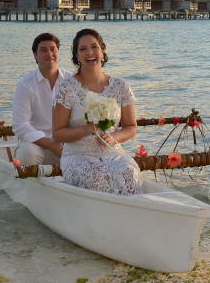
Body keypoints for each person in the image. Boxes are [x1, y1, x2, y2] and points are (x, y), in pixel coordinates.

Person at [52, 28, 142, 195]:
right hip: (77, 155)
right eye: (83, 49)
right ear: (77, 56)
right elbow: (57, 134)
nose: (89, 53)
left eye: (94, 47)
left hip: (112, 152)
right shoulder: (67, 89)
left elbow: (131, 127)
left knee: (130, 176)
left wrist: (114, 137)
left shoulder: (120, 86)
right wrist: (86, 130)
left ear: (102, 51)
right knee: (98, 177)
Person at [11, 32, 74, 167]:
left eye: (53, 49)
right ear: (35, 55)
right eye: (43, 50)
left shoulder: (72, 80)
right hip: (37, 145)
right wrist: (51, 144)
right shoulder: (25, 84)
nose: (49, 53)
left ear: (58, 53)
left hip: (68, 144)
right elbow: (20, 125)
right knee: (26, 154)